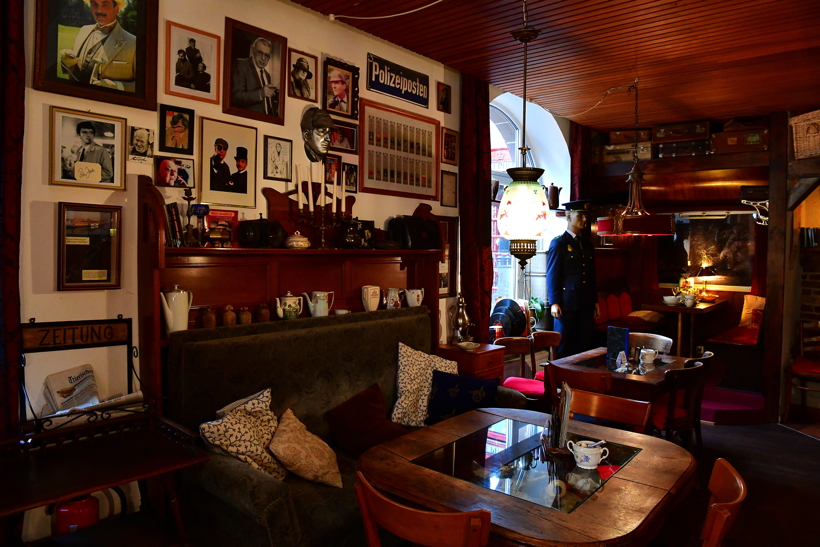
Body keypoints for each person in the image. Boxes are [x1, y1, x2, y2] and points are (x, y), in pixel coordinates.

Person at [547, 200, 600, 358]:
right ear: (569, 216)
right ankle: (558, 380)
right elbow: (553, 274)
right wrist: (554, 302)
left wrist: (595, 300)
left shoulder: (587, 245)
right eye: (580, 215)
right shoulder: (559, 243)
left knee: (584, 346)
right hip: (566, 303)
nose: (584, 220)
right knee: (563, 345)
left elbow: (591, 275)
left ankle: (579, 381)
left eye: (586, 216)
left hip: (584, 303)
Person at [59, 0, 136, 92]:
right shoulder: (84, 30)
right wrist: (66, 63)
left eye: (105, 4)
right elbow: (74, 70)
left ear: (116, 9)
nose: (99, 10)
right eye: (94, 4)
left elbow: (144, 87)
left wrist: (116, 86)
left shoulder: (133, 42)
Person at [231, 37, 279, 115]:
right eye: (260, 53)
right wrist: (260, 93)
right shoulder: (241, 65)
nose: (263, 58)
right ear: (253, 51)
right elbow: (236, 97)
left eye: (267, 55)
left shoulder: (267, 75)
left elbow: (267, 103)